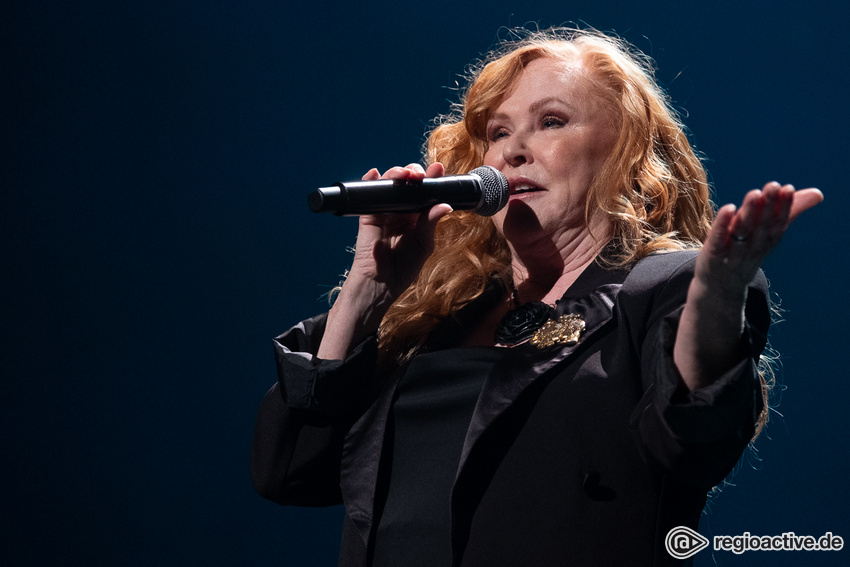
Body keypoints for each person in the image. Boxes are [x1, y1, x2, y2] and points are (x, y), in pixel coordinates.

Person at [251, 28, 822, 566]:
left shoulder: (668, 287)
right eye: (497, 133)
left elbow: (692, 443)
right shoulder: (435, 316)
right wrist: (367, 290)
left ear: (626, 154)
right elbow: (290, 472)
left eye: (551, 121)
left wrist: (716, 300)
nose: (512, 151)